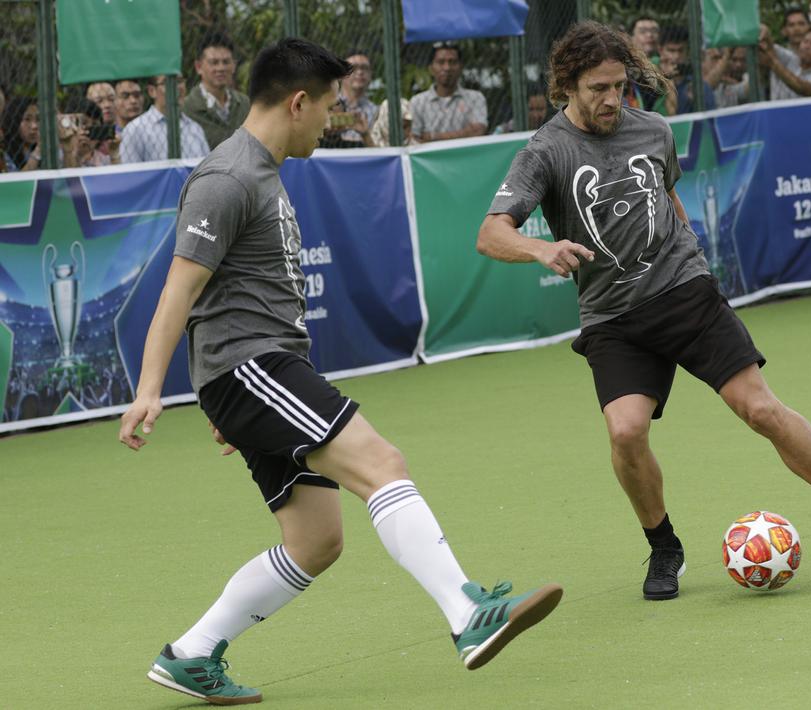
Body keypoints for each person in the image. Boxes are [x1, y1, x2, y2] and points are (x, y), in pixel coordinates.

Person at [119, 37, 562, 705]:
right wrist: (154, 392)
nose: (333, 119)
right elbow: (179, 291)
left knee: (315, 539)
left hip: (253, 375)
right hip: (250, 366)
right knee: (381, 461)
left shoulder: (263, 173)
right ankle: (466, 613)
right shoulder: (227, 177)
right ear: (296, 102)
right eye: (327, 106)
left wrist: (229, 405)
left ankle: (192, 653)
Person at [477, 21, 811, 602]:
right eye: (598, 88)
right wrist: (541, 247)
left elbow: (666, 192)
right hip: (612, 317)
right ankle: (664, 547)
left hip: (683, 292)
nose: (611, 100)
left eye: (620, 86)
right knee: (626, 432)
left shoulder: (651, 127)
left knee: (761, 411)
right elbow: (491, 233)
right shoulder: (545, 151)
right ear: (567, 85)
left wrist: (688, 243)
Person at [120, 75, 210, 163]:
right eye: (167, 83)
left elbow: (207, 169)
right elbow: (129, 173)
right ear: (152, 91)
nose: (176, 87)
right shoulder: (135, 129)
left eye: (179, 81)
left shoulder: (195, 128)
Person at [183, 33, 251, 149]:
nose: (220, 68)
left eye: (226, 62)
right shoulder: (187, 108)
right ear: (198, 67)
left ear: (234, 66)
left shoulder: (245, 103)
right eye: (214, 63)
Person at [410, 42, 487, 142]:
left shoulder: (475, 98)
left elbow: (478, 132)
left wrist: (432, 136)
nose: (447, 68)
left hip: (467, 156)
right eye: (441, 62)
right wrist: (465, 133)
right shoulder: (418, 102)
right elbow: (414, 139)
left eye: (453, 62)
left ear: (460, 67)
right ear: (431, 69)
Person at [759, 24, 811, 99]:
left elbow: (804, 88)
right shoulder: (792, 59)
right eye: (805, 41)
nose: (807, 46)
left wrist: (773, 63)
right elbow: (769, 48)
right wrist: (766, 33)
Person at [330, 50, 378, 147]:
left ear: (370, 74)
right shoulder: (328, 105)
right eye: (353, 68)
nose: (360, 72)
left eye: (364, 68)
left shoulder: (377, 111)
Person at [58, 97, 115, 168]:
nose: (87, 131)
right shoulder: (58, 158)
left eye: (94, 125)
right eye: (83, 124)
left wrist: (115, 153)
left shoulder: (106, 161)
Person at [2, 96, 41, 171]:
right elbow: (20, 181)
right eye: (27, 119)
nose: (34, 126)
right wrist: (38, 151)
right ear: (14, 121)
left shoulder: (39, 148)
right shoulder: (4, 154)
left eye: (38, 119)